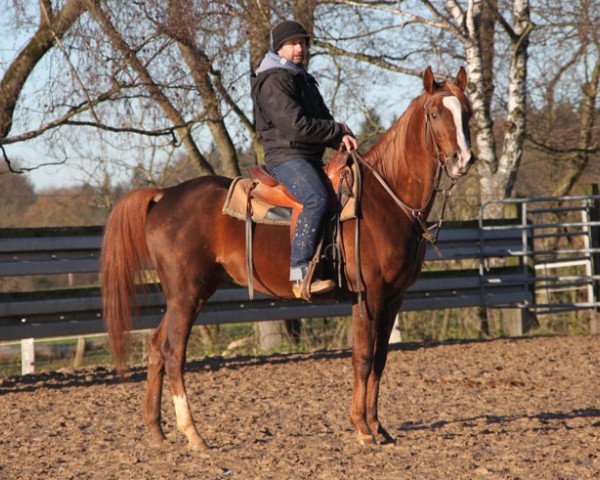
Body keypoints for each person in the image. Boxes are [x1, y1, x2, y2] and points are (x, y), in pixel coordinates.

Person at [250, 20, 358, 297]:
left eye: (302, 43)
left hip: (309, 155)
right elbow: (296, 125)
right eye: (292, 43)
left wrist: (339, 138)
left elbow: (322, 120)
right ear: (279, 48)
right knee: (316, 198)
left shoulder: (303, 79)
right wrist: (336, 130)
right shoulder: (275, 79)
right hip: (286, 157)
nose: (299, 48)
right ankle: (300, 275)